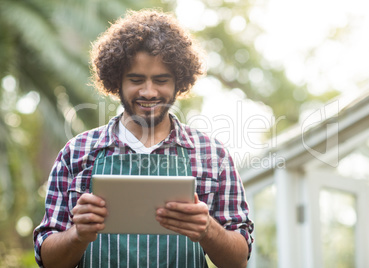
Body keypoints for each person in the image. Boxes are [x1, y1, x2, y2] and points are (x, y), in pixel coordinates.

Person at [33, 9, 253, 268]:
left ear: (179, 82)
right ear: (116, 82)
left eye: (161, 80)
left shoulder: (213, 156)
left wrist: (208, 230)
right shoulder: (77, 152)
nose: (149, 92)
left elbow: (239, 259)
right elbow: (48, 260)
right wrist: (78, 235)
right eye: (136, 80)